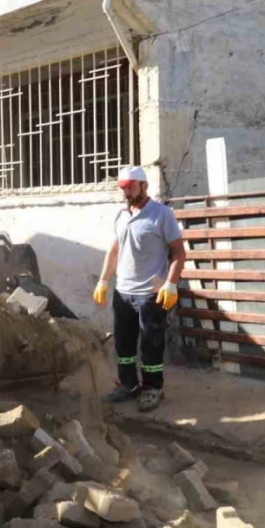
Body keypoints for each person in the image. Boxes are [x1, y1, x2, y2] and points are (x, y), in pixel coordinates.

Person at [92, 166, 186, 412]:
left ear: (144, 185)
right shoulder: (121, 215)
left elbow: (178, 252)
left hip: (150, 293)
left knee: (151, 343)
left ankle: (153, 388)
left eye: (130, 187)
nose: (125, 192)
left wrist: (171, 283)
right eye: (122, 188)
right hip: (123, 291)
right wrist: (103, 281)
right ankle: (128, 384)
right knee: (123, 344)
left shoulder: (161, 214)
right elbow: (114, 250)